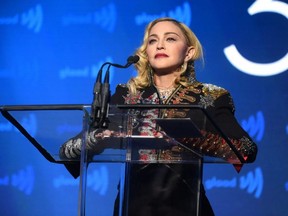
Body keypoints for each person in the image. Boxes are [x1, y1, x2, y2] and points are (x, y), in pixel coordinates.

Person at [60, 17, 258, 216]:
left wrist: (186, 136)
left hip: (188, 206)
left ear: (189, 52)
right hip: (133, 207)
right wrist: (98, 138)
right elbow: (67, 151)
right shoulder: (125, 95)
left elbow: (245, 149)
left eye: (170, 39)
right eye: (152, 40)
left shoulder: (210, 96)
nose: (160, 45)